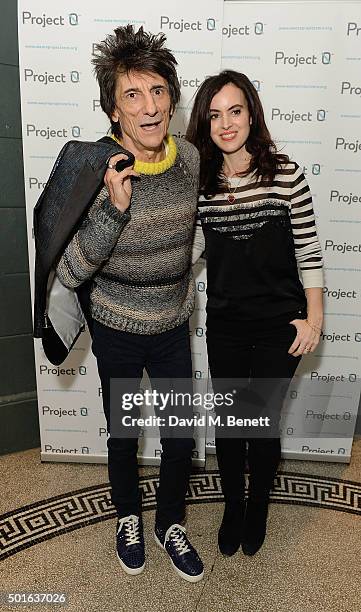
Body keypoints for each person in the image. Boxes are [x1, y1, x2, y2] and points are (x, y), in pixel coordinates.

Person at [56, 25, 204, 582]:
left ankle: (170, 522)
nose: (150, 108)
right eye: (133, 96)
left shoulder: (189, 160)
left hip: (172, 325)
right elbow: (70, 270)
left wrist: (180, 272)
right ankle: (128, 518)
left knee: (179, 436)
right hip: (116, 327)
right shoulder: (97, 171)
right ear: (113, 112)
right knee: (124, 434)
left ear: (172, 96)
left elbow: (197, 229)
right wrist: (114, 211)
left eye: (159, 91)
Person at [186, 70, 323, 557]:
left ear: (252, 114)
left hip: (278, 326)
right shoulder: (199, 185)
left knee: (259, 421)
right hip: (225, 324)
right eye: (215, 114)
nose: (226, 123)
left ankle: (258, 504)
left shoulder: (286, 174)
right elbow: (188, 251)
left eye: (235, 110)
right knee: (229, 423)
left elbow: (308, 252)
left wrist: (315, 319)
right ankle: (232, 507)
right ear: (204, 123)